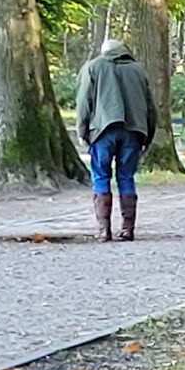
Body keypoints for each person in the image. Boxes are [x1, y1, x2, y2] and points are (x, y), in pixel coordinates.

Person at [75, 38, 156, 242]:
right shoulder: (138, 70)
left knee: (101, 176)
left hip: (103, 131)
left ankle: (104, 231)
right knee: (126, 177)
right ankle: (128, 229)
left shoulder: (93, 67)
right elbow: (150, 105)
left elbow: (84, 101)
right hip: (133, 131)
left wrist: (82, 130)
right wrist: (149, 133)